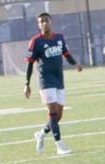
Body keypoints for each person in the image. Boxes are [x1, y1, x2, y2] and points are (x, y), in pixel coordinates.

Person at [25, 12, 83, 155]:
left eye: (46, 20)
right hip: (45, 81)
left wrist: (75, 64)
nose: (44, 23)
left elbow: (66, 54)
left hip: (59, 80)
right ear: (39, 25)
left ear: (51, 22)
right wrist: (27, 84)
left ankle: (41, 134)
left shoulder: (59, 38)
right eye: (41, 22)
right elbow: (30, 63)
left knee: (58, 115)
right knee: (52, 112)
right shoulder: (36, 41)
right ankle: (59, 145)